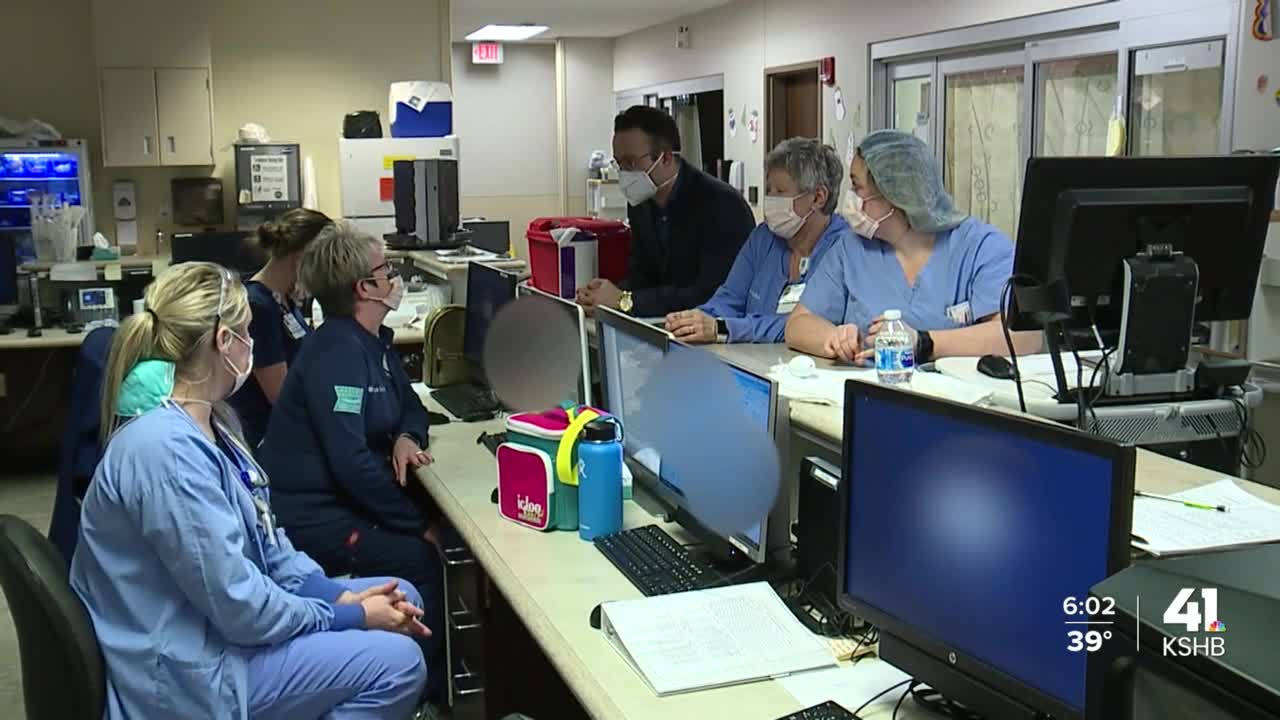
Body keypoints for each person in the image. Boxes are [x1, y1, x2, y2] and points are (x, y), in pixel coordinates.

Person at [70, 262, 430, 720]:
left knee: (403, 596)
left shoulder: (215, 421)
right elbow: (240, 608)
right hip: (194, 670)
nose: (252, 343)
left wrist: (335, 596)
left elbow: (269, 542)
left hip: (219, 627)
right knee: (396, 665)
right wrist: (350, 616)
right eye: (245, 331)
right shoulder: (164, 453)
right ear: (224, 342)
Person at [257, 223, 446, 700]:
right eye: (387, 270)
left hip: (344, 503)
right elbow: (350, 463)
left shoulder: (371, 342)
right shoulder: (338, 352)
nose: (395, 278)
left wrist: (406, 436)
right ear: (365, 288)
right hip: (314, 520)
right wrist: (416, 522)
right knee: (424, 556)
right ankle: (423, 691)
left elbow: (412, 405)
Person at [786, 129, 1041, 364]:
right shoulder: (851, 249)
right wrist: (833, 337)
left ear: (894, 196)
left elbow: (1023, 336)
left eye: (857, 187)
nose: (849, 199)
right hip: (870, 395)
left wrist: (924, 343)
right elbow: (798, 325)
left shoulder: (979, 248)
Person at [666, 138, 851, 344]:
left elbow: (803, 325)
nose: (770, 199)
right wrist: (694, 320)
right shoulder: (764, 237)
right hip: (750, 364)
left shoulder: (844, 248)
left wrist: (726, 329)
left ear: (818, 198)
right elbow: (730, 299)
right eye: (768, 189)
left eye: (780, 192)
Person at [576, 105, 755, 318]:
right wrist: (605, 295)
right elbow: (642, 275)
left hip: (714, 331)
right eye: (619, 163)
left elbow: (711, 293)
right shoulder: (641, 201)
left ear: (666, 158)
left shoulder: (721, 204)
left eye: (631, 162)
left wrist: (625, 301)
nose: (624, 173)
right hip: (662, 326)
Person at [230, 208, 332, 450]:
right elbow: (280, 395)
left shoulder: (283, 299)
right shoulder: (258, 307)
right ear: (301, 255)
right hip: (268, 439)